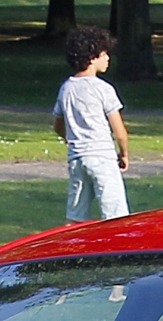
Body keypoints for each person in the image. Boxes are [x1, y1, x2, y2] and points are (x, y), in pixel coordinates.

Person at [52, 25, 130, 222]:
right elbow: (119, 131)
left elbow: (58, 125)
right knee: (115, 214)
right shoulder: (103, 89)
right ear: (92, 57)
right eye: (104, 54)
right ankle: (116, 251)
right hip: (102, 156)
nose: (108, 58)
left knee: (76, 217)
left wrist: (68, 139)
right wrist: (124, 154)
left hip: (77, 159)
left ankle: (72, 251)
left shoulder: (66, 88)